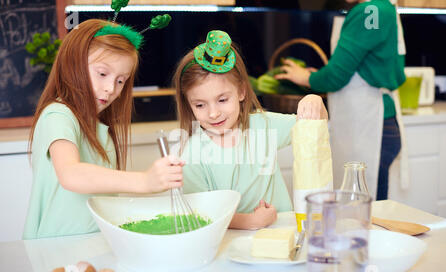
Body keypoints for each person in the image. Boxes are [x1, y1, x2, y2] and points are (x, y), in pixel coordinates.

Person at [23, 19, 183, 239]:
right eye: (102, 73)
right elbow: (71, 174)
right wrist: (144, 181)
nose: (111, 89)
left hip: (92, 244)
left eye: (121, 81)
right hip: (55, 249)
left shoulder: (100, 130)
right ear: (73, 64)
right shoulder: (58, 114)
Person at [172, 30, 328, 230]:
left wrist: (314, 100)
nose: (213, 113)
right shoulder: (191, 155)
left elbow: (316, 124)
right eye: (200, 105)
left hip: (283, 232)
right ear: (188, 104)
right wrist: (250, 222)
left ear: (241, 91)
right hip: (228, 244)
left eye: (222, 100)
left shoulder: (263, 126)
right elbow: (199, 215)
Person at [275, 0, 407, 200]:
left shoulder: (370, 11)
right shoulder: (383, 8)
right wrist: (321, 74)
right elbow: (360, 65)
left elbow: (337, 75)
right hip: (381, 123)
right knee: (367, 208)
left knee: (362, 210)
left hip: (372, 125)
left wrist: (305, 77)